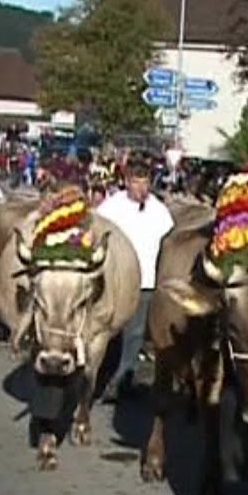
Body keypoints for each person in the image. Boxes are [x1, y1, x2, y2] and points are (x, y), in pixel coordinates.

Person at [94, 160, 173, 401]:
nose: (142, 188)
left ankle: (120, 382)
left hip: (145, 282)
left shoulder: (159, 211)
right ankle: (99, 376)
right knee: (108, 332)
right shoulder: (110, 208)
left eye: (146, 183)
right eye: (137, 182)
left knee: (135, 334)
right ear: (127, 182)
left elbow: (168, 242)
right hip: (114, 281)